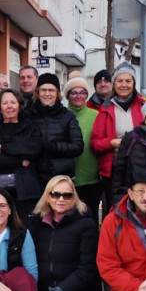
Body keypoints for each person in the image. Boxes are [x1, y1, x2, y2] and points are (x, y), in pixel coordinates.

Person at [28, 176, 101, 291]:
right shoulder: (36, 223)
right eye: (56, 194)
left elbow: (88, 267)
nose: (61, 199)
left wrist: (66, 288)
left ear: (74, 198)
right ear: (48, 196)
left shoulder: (86, 224)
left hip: (79, 286)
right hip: (50, 289)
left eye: (67, 195)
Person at [90, 63, 145, 215]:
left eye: (128, 81)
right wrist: (111, 143)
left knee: (139, 207)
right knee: (115, 209)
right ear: (114, 84)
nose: (124, 85)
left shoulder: (143, 105)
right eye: (120, 81)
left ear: (134, 83)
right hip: (113, 169)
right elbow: (95, 143)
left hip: (139, 166)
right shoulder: (105, 109)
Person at [0, 89, 41, 215]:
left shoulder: (29, 127)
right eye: (5, 103)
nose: (9, 106)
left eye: (13, 102)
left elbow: (33, 150)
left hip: (25, 191)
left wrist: (4, 149)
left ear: (19, 105)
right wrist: (19, 161)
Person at [27, 73, 84, 186]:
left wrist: (53, 146)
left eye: (51, 90)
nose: (47, 94)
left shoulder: (68, 116)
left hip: (61, 175)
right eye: (43, 90)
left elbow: (78, 146)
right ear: (38, 92)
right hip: (33, 176)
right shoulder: (28, 115)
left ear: (57, 93)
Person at [63, 77, 102, 222]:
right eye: (74, 93)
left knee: (88, 218)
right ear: (67, 96)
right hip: (66, 177)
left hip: (90, 178)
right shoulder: (62, 114)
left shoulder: (96, 115)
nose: (79, 96)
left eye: (83, 92)